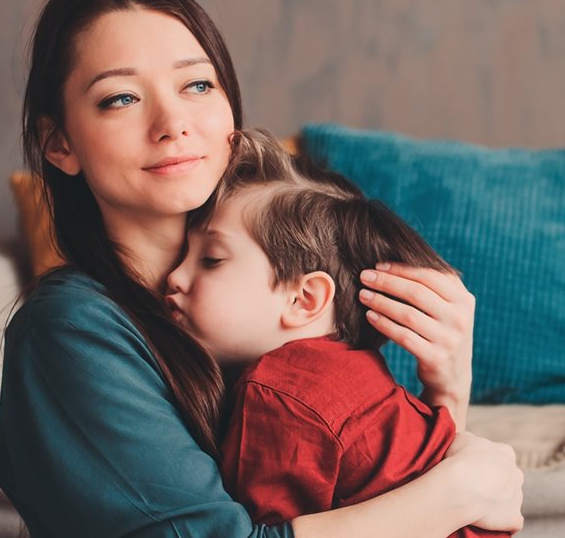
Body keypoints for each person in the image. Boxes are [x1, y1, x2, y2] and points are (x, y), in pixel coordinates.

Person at [0, 0, 523, 538]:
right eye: (120, 98)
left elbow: (373, 485)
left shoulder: (259, 303)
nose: (173, 124)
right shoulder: (71, 329)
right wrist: (456, 492)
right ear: (59, 143)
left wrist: (447, 392)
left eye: (198, 85)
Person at [164, 128, 509, 538]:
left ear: (304, 298)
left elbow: (260, 531)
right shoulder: (361, 371)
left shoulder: (277, 394)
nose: (174, 276)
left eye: (211, 259)